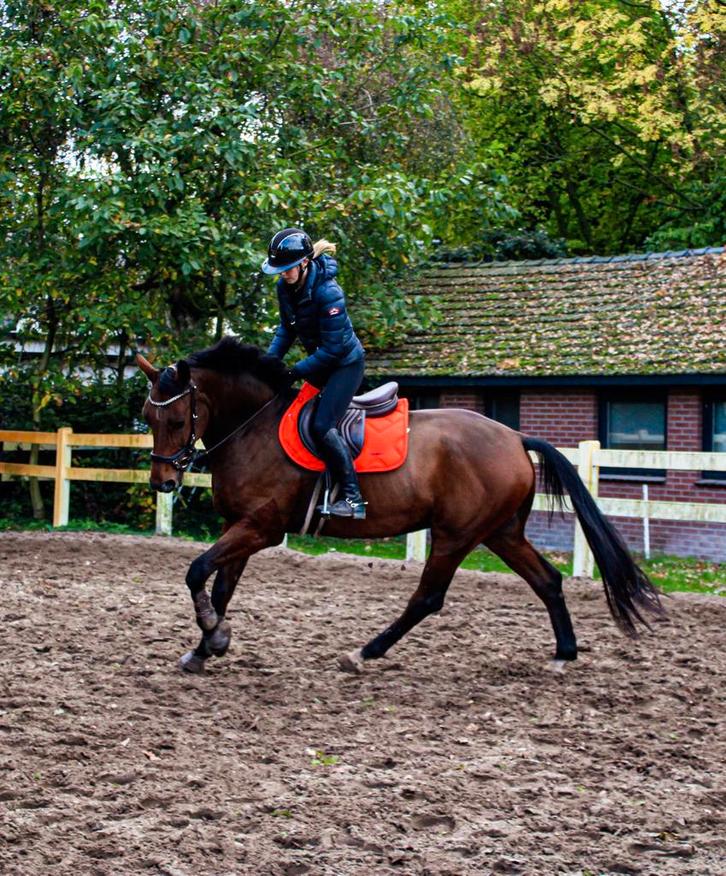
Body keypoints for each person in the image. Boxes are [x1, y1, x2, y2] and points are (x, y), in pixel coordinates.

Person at [262, 227, 367, 519]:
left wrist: (294, 371)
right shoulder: (285, 287)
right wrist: (268, 364)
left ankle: (353, 499)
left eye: (286, 268)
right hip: (321, 364)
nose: (282, 274)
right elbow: (286, 329)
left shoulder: (328, 291)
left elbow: (334, 350)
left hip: (345, 364)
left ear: (304, 262)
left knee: (322, 425)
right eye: (279, 269)